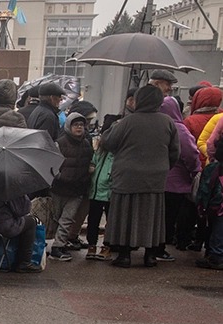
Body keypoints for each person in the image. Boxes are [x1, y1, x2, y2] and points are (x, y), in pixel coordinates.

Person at [98, 85, 181, 268]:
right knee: (152, 215)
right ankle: (150, 255)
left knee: (125, 214)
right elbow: (175, 152)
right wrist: (164, 167)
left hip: (127, 175)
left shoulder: (128, 121)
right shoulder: (168, 122)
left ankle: (125, 254)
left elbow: (108, 142)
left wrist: (114, 126)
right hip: (156, 176)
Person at [159, 94, 201, 261]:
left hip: (156, 179)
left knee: (157, 216)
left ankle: (151, 247)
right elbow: (190, 153)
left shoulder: (157, 125)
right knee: (169, 217)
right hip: (176, 182)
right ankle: (159, 248)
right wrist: (194, 171)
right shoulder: (179, 128)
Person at [49, 113, 93, 261]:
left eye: (81, 125)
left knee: (68, 218)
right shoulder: (60, 143)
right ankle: (58, 242)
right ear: (69, 126)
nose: (79, 128)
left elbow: (89, 162)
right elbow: (52, 165)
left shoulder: (87, 144)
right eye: (76, 125)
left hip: (77, 189)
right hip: (59, 187)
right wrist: (60, 177)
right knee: (56, 217)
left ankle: (58, 246)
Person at [86, 142, 113, 261]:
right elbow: (93, 162)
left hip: (109, 193)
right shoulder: (99, 153)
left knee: (110, 221)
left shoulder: (117, 155)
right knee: (92, 220)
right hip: (95, 192)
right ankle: (91, 245)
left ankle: (107, 246)